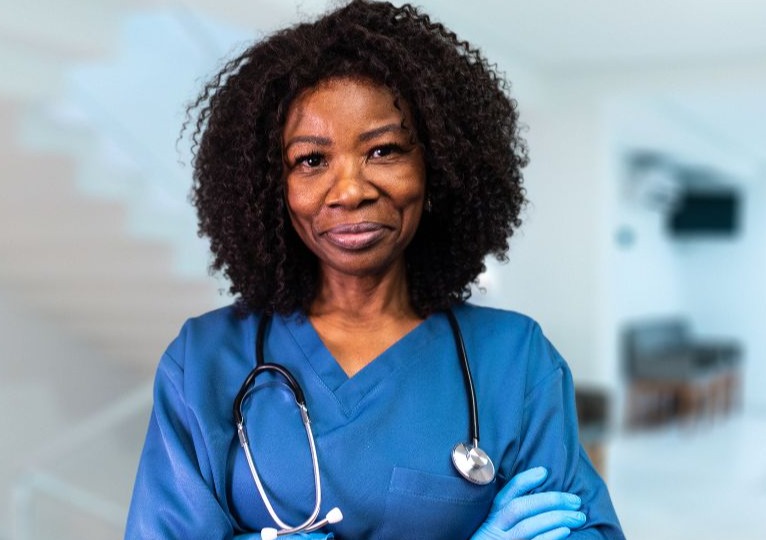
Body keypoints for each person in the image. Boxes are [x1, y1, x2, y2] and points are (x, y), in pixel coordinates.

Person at [124, 1, 624, 538]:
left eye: (384, 150)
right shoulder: (204, 363)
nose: (351, 190)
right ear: (271, 187)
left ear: (437, 165)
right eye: (311, 161)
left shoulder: (514, 360)